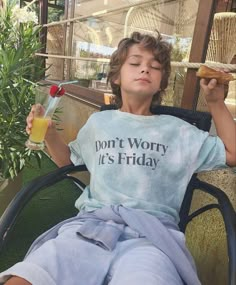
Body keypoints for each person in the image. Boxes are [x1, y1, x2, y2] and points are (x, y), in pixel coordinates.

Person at [0, 31, 235, 285]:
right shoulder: (100, 122)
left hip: (151, 238)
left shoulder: (178, 130)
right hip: (89, 229)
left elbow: (232, 153)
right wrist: (48, 134)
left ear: (162, 83)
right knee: (25, 278)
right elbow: (68, 162)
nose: (145, 69)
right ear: (116, 76)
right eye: (135, 63)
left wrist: (215, 102)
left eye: (154, 67)